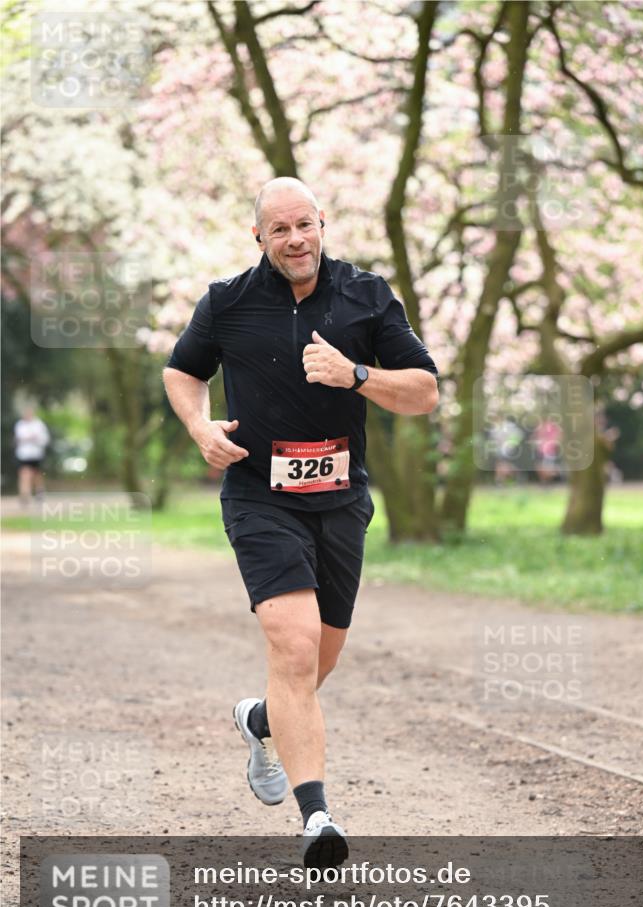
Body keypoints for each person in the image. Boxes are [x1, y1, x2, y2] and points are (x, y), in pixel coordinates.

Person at [163, 177, 439, 868]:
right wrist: (200, 427)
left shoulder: (366, 295)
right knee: (293, 646)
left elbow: (424, 392)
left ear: (323, 222)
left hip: (340, 502)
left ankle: (261, 720)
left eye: (304, 225)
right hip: (259, 497)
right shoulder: (226, 302)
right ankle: (317, 818)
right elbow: (181, 371)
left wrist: (355, 375)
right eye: (279, 229)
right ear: (258, 236)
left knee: (318, 662)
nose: (295, 240)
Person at [14, 407, 50, 505]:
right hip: (24, 455)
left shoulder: (39, 424)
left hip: (36, 454)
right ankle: (24, 494)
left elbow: (44, 439)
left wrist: (35, 439)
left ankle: (39, 492)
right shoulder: (20, 425)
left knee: (36, 474)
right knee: (24, 473)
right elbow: (18, 438)